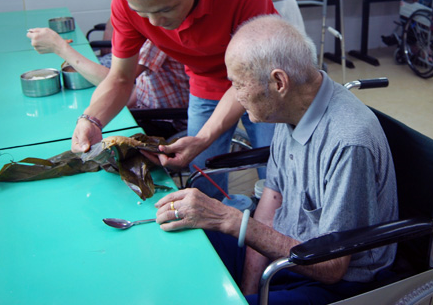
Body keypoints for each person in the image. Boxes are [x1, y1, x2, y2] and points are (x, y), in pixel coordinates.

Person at [154, 15, 398, 305]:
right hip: (287, 253)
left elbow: (332, 267)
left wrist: (230, 219)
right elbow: (271, 204)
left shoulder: (348, 142)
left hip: (340, 282)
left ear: (279, 81)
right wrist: (250, 293)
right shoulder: (292, 109)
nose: (235, 95)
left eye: (239, 84)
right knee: (186, 240)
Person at [70, 0, 277, 198]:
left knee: (275, 173)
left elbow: (250, 79)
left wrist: (204, 138)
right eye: (143, 13)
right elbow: (121, 78)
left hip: (264, 80)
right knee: (202, 177)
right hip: (206, 81)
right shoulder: (126, 1)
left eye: (166, 9)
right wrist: (91, 120)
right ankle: (218, 239)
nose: (155, 23)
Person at [27, 0, 189, 110]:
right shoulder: (131, 9)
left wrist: (59, 47)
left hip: (159, 116)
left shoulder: (157, 19)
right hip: (140, 96)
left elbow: (120, 81)